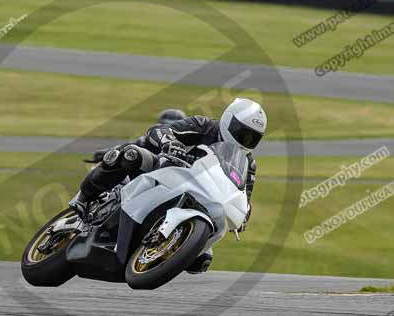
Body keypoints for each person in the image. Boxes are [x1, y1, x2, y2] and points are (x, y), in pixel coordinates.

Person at [70, 98, 267, 273]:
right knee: (131, 155)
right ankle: (84, 198)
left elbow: (244, 193)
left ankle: (158, 251)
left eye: (252, 138)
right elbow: (158, 132)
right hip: (163, 169)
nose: (245, 140)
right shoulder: (203, 125)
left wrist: (242, 215)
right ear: (228, 121)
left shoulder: (248, 164)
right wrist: (170, 142)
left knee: (202, 261)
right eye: (242, 133)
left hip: (198, 196)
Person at [88, 108, 186, 164]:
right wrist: (109, 153)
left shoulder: (192, 145)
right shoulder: (146, 141)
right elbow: (130, 147)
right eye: (165, 127)